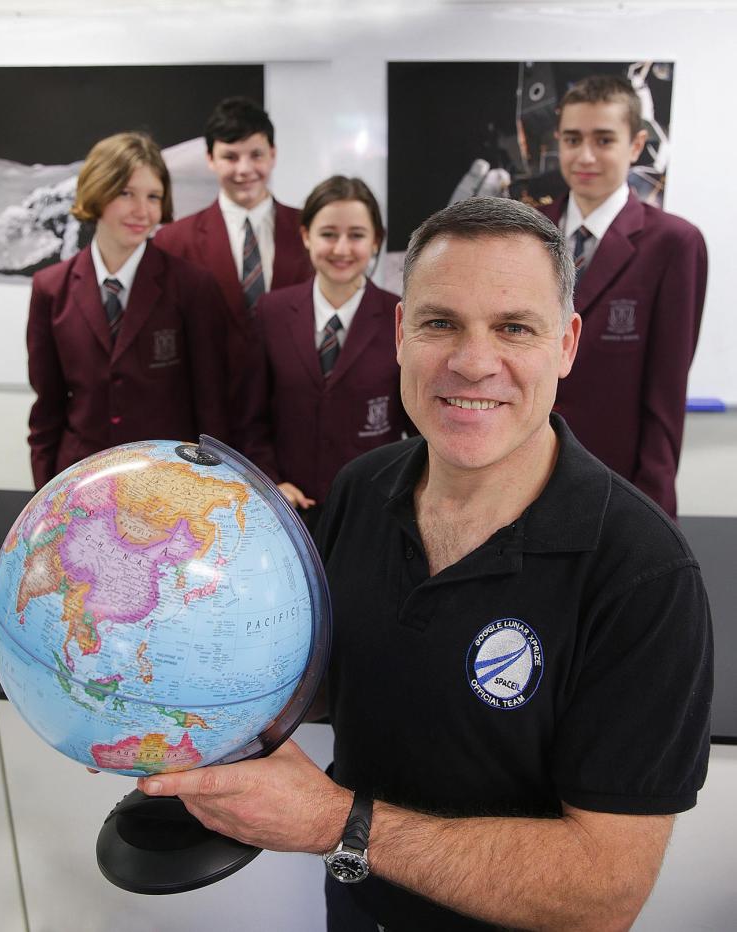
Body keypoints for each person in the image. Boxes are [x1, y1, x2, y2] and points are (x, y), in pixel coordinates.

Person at [136, 198, 712, 932]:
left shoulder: (643, 576)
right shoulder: (363, 487)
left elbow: (605, 890)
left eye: (514, 327)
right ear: (402, 332)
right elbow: (333, 686)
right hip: (355, 910)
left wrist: (337, 824)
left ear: (566, 344)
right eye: (441, 322)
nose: (473, 363)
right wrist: (168, 699)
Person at [538, 73, 707, 519]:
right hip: (517, 478)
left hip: (614, 487)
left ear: (635, 146)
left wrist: (652, 511)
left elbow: (666, 393)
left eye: (604, 140)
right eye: (572, 139)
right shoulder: (525, 232)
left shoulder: (673, 243)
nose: (585, 155)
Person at [27, 132, 230, 490]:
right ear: (98, 191)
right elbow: (48, 411)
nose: (143, 211)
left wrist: (207, 489)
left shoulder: (192, 286)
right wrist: (45, 497)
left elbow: (212, 408)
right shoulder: (50, 288)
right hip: (81, 485)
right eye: (126, 193)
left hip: (168, 484)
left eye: (154, 197)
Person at [241, 175, 412, 531]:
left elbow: (417, 427)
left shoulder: (402, 317)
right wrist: (271, 481)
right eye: (329, 234)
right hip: (286, 511)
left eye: (357, 235)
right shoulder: (271, 311)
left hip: (371, 511)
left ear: (376, 240)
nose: (342, 249)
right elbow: (252, 419)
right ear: (306, 236)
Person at [153, 97, 312, 433]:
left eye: (256, 155)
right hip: (205, 423)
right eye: (230, 156)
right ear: (210, 159)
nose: (244, 169)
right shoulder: (173, 241)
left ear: (273, 154)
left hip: (291, 423)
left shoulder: (310, 233)